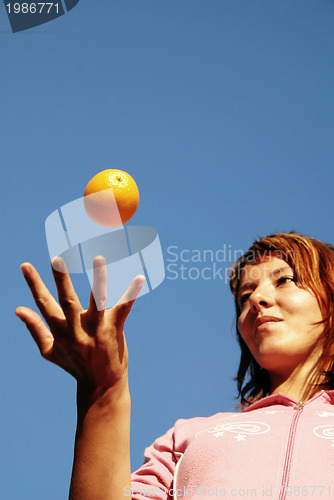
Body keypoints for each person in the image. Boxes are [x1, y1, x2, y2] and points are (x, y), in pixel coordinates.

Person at [15, 232, 334, 500]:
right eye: (244, 295)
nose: (257, 298)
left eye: (285, 280)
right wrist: (102, 390)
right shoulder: (187, 438)